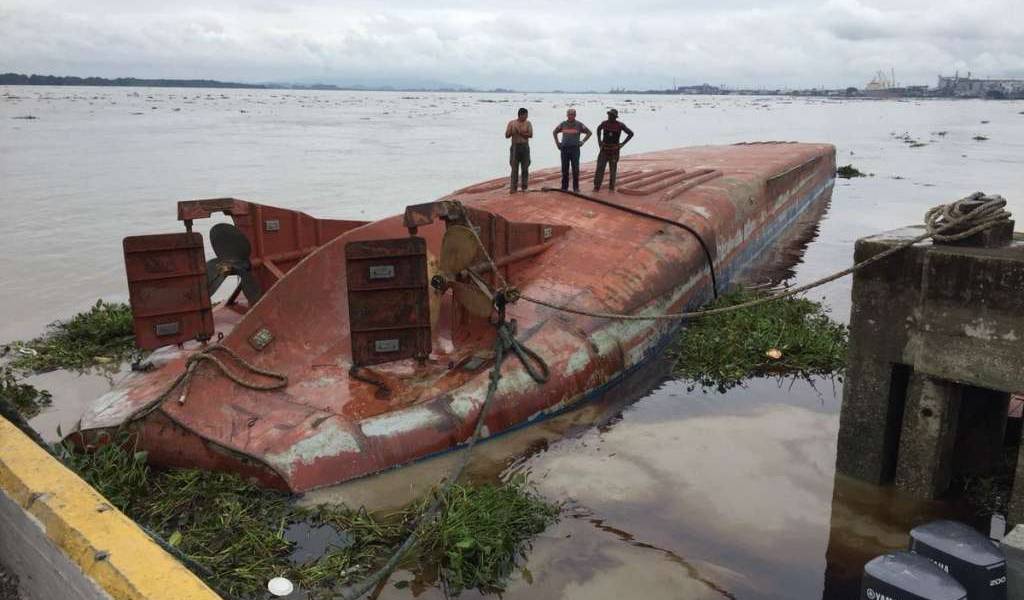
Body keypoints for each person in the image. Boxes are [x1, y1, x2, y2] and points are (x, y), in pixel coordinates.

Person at [594, 108, 633, 192]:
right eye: (609, 115)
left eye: (611, 115)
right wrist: (599, 141)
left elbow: (631, 133)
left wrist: (622, 144)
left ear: (615, 117)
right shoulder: (604, 123)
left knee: (613, 169)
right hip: (604, 150)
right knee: (600, 168)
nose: (609, 117)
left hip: (614, 151)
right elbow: (598, 129)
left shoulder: (620, 125)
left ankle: (611, 187)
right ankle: (596, 186)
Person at [552, 108, 591, 192]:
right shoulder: (563, 124)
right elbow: (554, 132)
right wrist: (557, 143)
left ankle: (575, 188)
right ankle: (564, 187)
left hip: (575, 149)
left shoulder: (579, 124)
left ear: (575, 115)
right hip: (564, 149)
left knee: (575, 169)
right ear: (567, 115)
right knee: (564, 169)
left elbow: (589, 132)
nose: (570, 116)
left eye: (572, 114)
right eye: (569, 114)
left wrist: (583, 141)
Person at [505, 108, 533, 192]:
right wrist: (512, 131)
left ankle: (524, 186)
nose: (526, 117)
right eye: (525, 115)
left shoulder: (528, 123)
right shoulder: (512, 123)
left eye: (527, 115)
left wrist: (520, 132)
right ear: (520, 115)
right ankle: (513, 187)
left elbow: (530, 134)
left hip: (524, 146)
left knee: (525, 167)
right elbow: (507, 135)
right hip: (515, 146)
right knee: (514, 168)